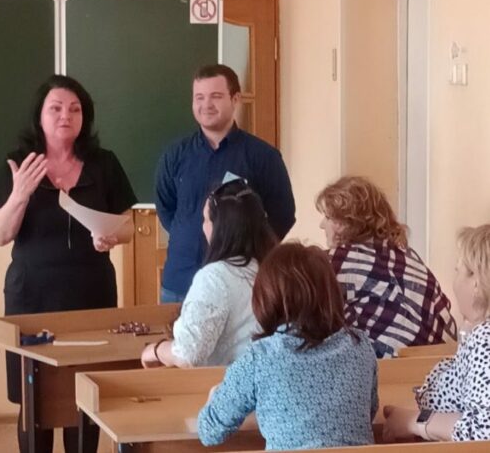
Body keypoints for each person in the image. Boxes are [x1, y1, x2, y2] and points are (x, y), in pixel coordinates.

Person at [0, 74, 137, 453]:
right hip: (31, 298)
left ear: (84, 117)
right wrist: (19, 194)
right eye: (55, 108)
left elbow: (128, 226)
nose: (65, 116)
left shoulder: (103, 163)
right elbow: (2, 235)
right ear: (39, 116)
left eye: (75, 109)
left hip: (91, 295)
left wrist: (111, 236)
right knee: (35, 398)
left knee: (85, 396)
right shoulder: (18, 164)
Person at [197, 242, 378, 451]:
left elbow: (209, 432)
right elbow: (369, 411)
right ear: (331, 293)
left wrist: (213, 398)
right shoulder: (360, 346)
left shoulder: (260, 358)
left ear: (267, 298)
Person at [155, 64, 295, 303]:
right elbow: (166, 209)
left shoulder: (263, 157)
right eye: (199, 97)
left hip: (240, 286)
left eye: (216, 96)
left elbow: (283, 215)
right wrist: (191, 235)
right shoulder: (175, 155)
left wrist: (251, 250)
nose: (206, 104)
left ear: (235, 99)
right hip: (181, 283)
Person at [316, 176, 457, 358]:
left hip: (385, 369)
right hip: (441, 365)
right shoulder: (409, 257)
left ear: (345, 224)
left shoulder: (334, 262)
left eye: (328, 217)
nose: (322, 225)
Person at [141, 178, 277, 368]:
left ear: (220, 228)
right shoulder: (276, 270)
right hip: (268, 379)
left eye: (205, 219)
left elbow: (188, 355)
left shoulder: (215, 277)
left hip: (227, 382)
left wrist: (155, 350)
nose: (203, 226)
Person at [383, 224, 490, 442]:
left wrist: (413, 422)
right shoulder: (477, 334)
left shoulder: (485, 340)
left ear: (476, 283)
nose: (454, 280)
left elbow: (483, 430)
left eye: (458, 270)